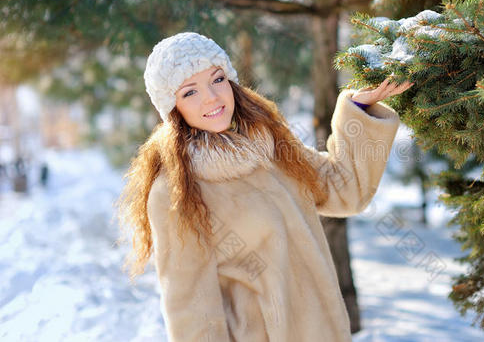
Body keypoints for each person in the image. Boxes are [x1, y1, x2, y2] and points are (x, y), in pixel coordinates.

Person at [116, 32, 413, 342]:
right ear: (172, 107)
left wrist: (358, 111)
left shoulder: (270, 143)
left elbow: (344, 191)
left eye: (217, 80)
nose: (212, 98)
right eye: (190, 92)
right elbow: (191, 307)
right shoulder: (176, 190)